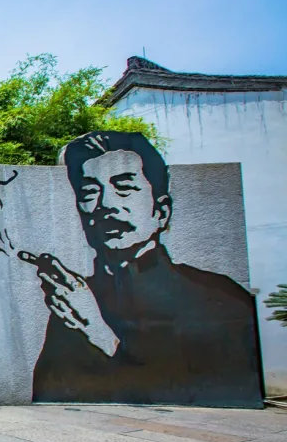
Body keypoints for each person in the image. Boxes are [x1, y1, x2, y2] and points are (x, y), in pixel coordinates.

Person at [22, 131, 262, 407]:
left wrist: (99, 334)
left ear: (161, 212)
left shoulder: (220, 300)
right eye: (89, 192)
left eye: (124, 188)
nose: (106, 205)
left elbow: (212, 392)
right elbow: (48, 393)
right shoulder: (75, 301)